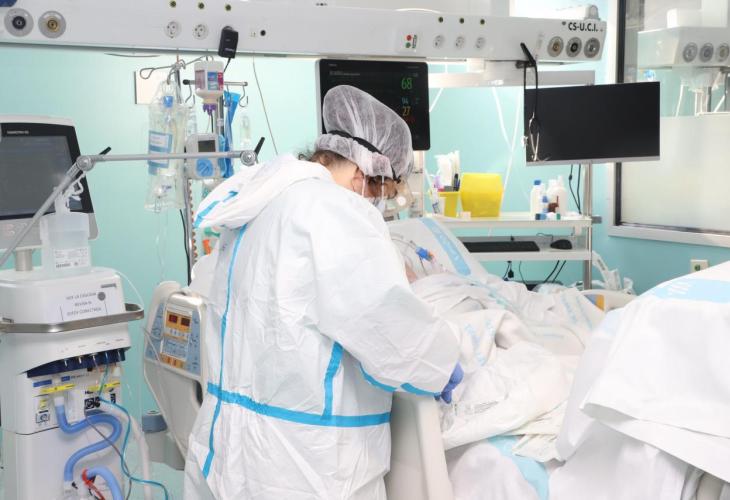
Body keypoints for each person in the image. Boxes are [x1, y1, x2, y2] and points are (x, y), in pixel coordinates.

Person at [183, 85, 463, 499]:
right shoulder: (334, 211)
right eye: (381, 192)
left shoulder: (263, 203)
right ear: (362, 174)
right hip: (307, 467)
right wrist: (440, 359)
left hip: (231, 453)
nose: (379, 205)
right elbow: (383, 322)